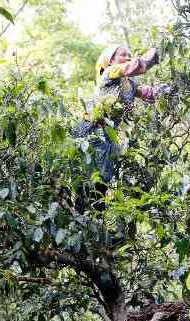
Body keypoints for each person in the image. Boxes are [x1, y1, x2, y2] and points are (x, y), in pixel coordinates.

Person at [71, 45, 170, 212]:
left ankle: (94, 221)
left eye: (130, 54)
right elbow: (137, 66)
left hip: (107, 134)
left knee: (103, 178)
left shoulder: (129, 84)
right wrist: (155, 52)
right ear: (110, 60)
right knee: (87, 176)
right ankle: (81, 217)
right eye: (123, 54)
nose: (128, 57)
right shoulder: (110, 73)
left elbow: (149, 93)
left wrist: (169, 89)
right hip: (89, 129)